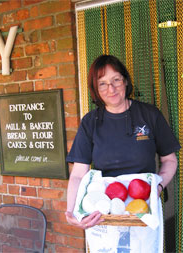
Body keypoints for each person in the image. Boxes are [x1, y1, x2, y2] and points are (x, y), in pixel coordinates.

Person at [65, 54, 181, 231]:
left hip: (143, 209)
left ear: (125, 81)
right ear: (95, 89)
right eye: (102, 83)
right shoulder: (90, 122)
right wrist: (71, 210)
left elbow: (170, 160)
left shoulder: (149, 115)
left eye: (116, 80)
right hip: (104, 213)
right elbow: (78, 175)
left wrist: (158, 186)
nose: (110, 88)